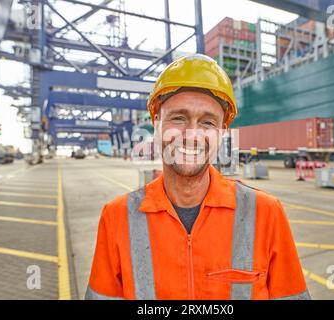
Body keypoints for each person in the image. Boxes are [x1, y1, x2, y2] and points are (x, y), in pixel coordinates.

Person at [85, 54, 310, 300]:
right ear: (156, 121)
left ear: (222, 132)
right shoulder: (117, 217)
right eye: (179, 118)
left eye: (207, 122)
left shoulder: (266, 213)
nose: (192, 134)